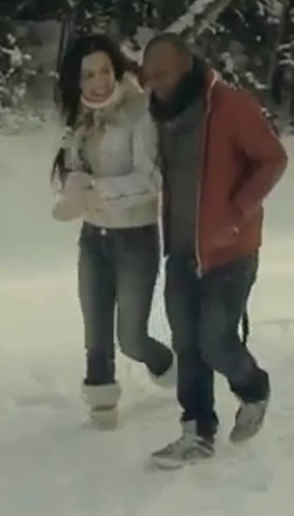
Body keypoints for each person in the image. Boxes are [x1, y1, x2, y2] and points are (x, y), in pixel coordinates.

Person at [140, 33, 288, 468]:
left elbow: (273, 159)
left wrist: (237, 212)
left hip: (230, 251)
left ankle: (254, 389)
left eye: (163, 73)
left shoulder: (232, 107)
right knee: (187, 344)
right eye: (150, 75)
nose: (155, 83)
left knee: (215, 342)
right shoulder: (156, 115)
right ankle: (197, 431)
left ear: (186, 67)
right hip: (182, 249)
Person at [51, 33, 175, 430]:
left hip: (135, 239)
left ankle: (167, 365)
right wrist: (72, 187)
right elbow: (74, 165)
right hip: (94, 238)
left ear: (116, 69)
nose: (99, 82)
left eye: (104, 70)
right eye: (88, 75)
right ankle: (101, 412)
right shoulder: (81, 117)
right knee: (96, 334)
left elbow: (150, 180)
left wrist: (95, 191)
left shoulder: (140, 111)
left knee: (131, 339)